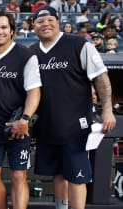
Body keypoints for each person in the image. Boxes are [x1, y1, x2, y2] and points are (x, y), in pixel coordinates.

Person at [30, 6, 116, 209]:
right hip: (47, 124)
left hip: (76, 123)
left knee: (77, 176)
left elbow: (101, 78)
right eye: (40, 21)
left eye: (50, 20)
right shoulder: (31, 51)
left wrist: (107, 109)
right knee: (58, 173)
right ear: (33, 26)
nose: (46, 24)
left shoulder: (78, 44)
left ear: (58, 22)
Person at [0, 11, 41, 209]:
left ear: (12, 30)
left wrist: (24, 119)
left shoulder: (25, 54)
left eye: (4, 27)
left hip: (18, 126)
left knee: (18, 175)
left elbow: (34, 91)